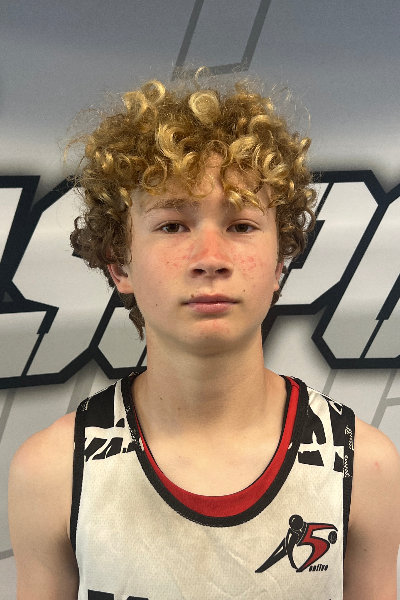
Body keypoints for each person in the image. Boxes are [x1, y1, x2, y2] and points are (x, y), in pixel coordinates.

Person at [8, 77, 400, 600]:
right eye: (172, 225)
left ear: (279, 263)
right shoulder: (51, 471)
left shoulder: (363, 465)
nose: (210, 258)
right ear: (119, 263)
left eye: (241, 225)